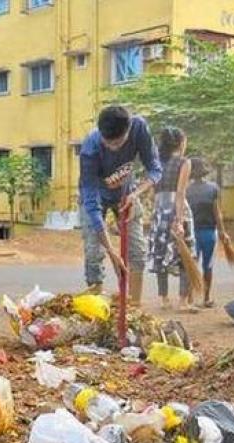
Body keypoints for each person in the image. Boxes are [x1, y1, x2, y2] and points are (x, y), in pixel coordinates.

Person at [79, 105, 162, 306]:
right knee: (93, 252)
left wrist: (136, 194)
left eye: (118, 142)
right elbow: (91, 203)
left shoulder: (139, 128)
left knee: (137, 252)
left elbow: (155, 170)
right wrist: (111, 251)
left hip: (127, 194)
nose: (113, 147)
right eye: (108, 143)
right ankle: (95, 305)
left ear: (129, 129)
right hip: (96, 195)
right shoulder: (90, 148)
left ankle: (133, 307)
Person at [147, 127, 196, 312]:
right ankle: (183, 301)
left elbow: (153, 192)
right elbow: (181, 192)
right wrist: (179, 219)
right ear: (180, 143)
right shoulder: (184, 162)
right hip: (177, 210)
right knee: (185, 255)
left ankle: (164, 299)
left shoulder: (156, 163)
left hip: (160, 212)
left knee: (160, 254)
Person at [187, 157, 230, 308]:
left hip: (191, 234)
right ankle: (206, 298)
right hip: (209, 233)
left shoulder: (186, 190)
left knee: (192, 265)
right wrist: (223, 232)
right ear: (204, 172)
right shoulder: (213, 188)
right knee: (208, 266)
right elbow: (217, 213)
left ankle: (190, 299)